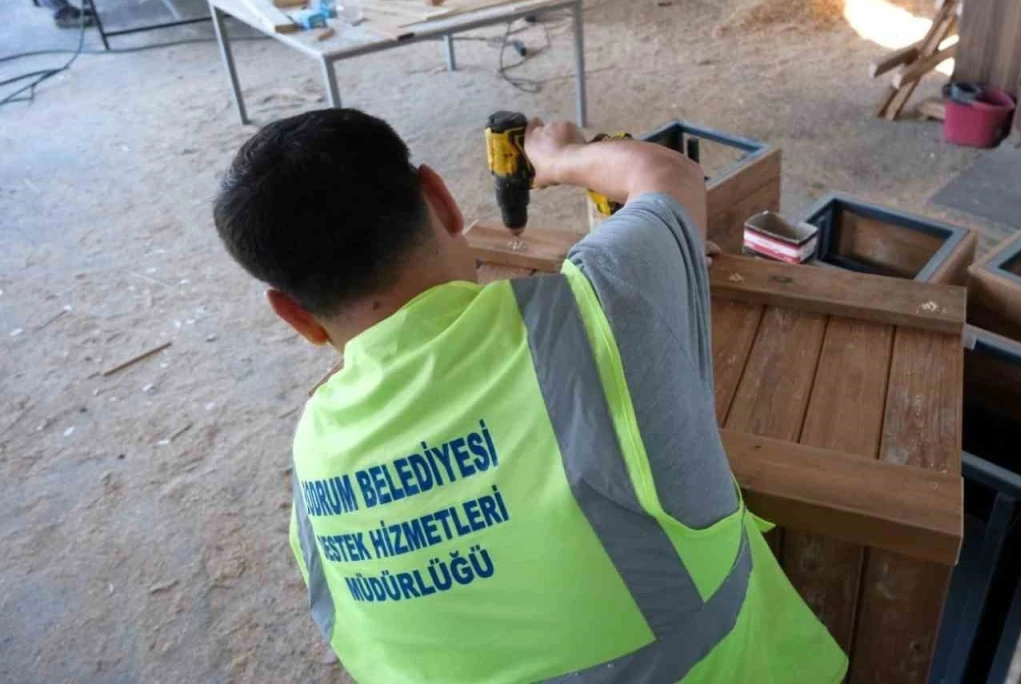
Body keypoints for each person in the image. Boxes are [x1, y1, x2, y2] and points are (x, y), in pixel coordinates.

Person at [213, 109, 848, 683]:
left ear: (292, 315)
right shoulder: (599, 308)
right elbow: (668, 175)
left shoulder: (311, 462)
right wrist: (563, 157)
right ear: (441, 198)